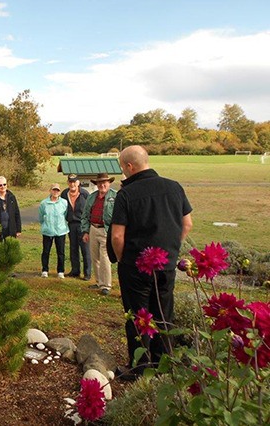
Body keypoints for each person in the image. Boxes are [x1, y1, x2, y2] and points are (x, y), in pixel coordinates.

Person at [111, 145, 192, 376]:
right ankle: (163, 364)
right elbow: (187, 224)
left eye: (122, 168)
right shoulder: (174, 187)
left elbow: (117, 235)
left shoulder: (126, 194)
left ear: (129, 166)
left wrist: (122, 259)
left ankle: (139, 366)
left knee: (138, 316)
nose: (123, 173)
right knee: (164, 315)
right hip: (166, 265)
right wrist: (171, 250)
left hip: (135, 266)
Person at [80, 173, 117, 296]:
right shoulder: (92, 197)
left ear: (109, 183)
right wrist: (85, 231)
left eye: (104, 182)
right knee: (94, 257)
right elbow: (85, 215)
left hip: (106, 230)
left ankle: (106, 285)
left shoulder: (115, 196)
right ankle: (98, 282)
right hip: (93, 229)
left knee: (105, 257)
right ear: (96, 184)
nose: (102, 185)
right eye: (99, 183)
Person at [60, 174, 91, 280]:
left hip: (83, 225)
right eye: (70, 182)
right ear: (68, 183)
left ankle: (87, 273)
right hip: (71, 224)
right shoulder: (64, 194)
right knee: (73, 248)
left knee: (85, 249)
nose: (72, 184)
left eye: (74, 182)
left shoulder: (85, 194)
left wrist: (88, 227)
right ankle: (75, 271)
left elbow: (90, 210)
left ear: (78, 183)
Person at [38, 183, 69, 278]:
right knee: (46, 251)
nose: (55, 192)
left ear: (59, 192)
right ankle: (45, 270)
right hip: (48, 231)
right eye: (54, 190)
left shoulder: (64, 203)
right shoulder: (44, 203)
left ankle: (60, 271)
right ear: (50, 191)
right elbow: (41, 217)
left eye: (57, 190)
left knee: (61, 252)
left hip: (61, 231)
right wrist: (46, 225)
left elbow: (66, 215)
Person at [0, 176, 22, 241]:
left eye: (4, 184)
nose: (2, 186)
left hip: (11, 229)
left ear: (6, 185)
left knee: (10, 250)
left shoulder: (12, 197)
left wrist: (18, 230)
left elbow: (17, 213)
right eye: (0, 185)